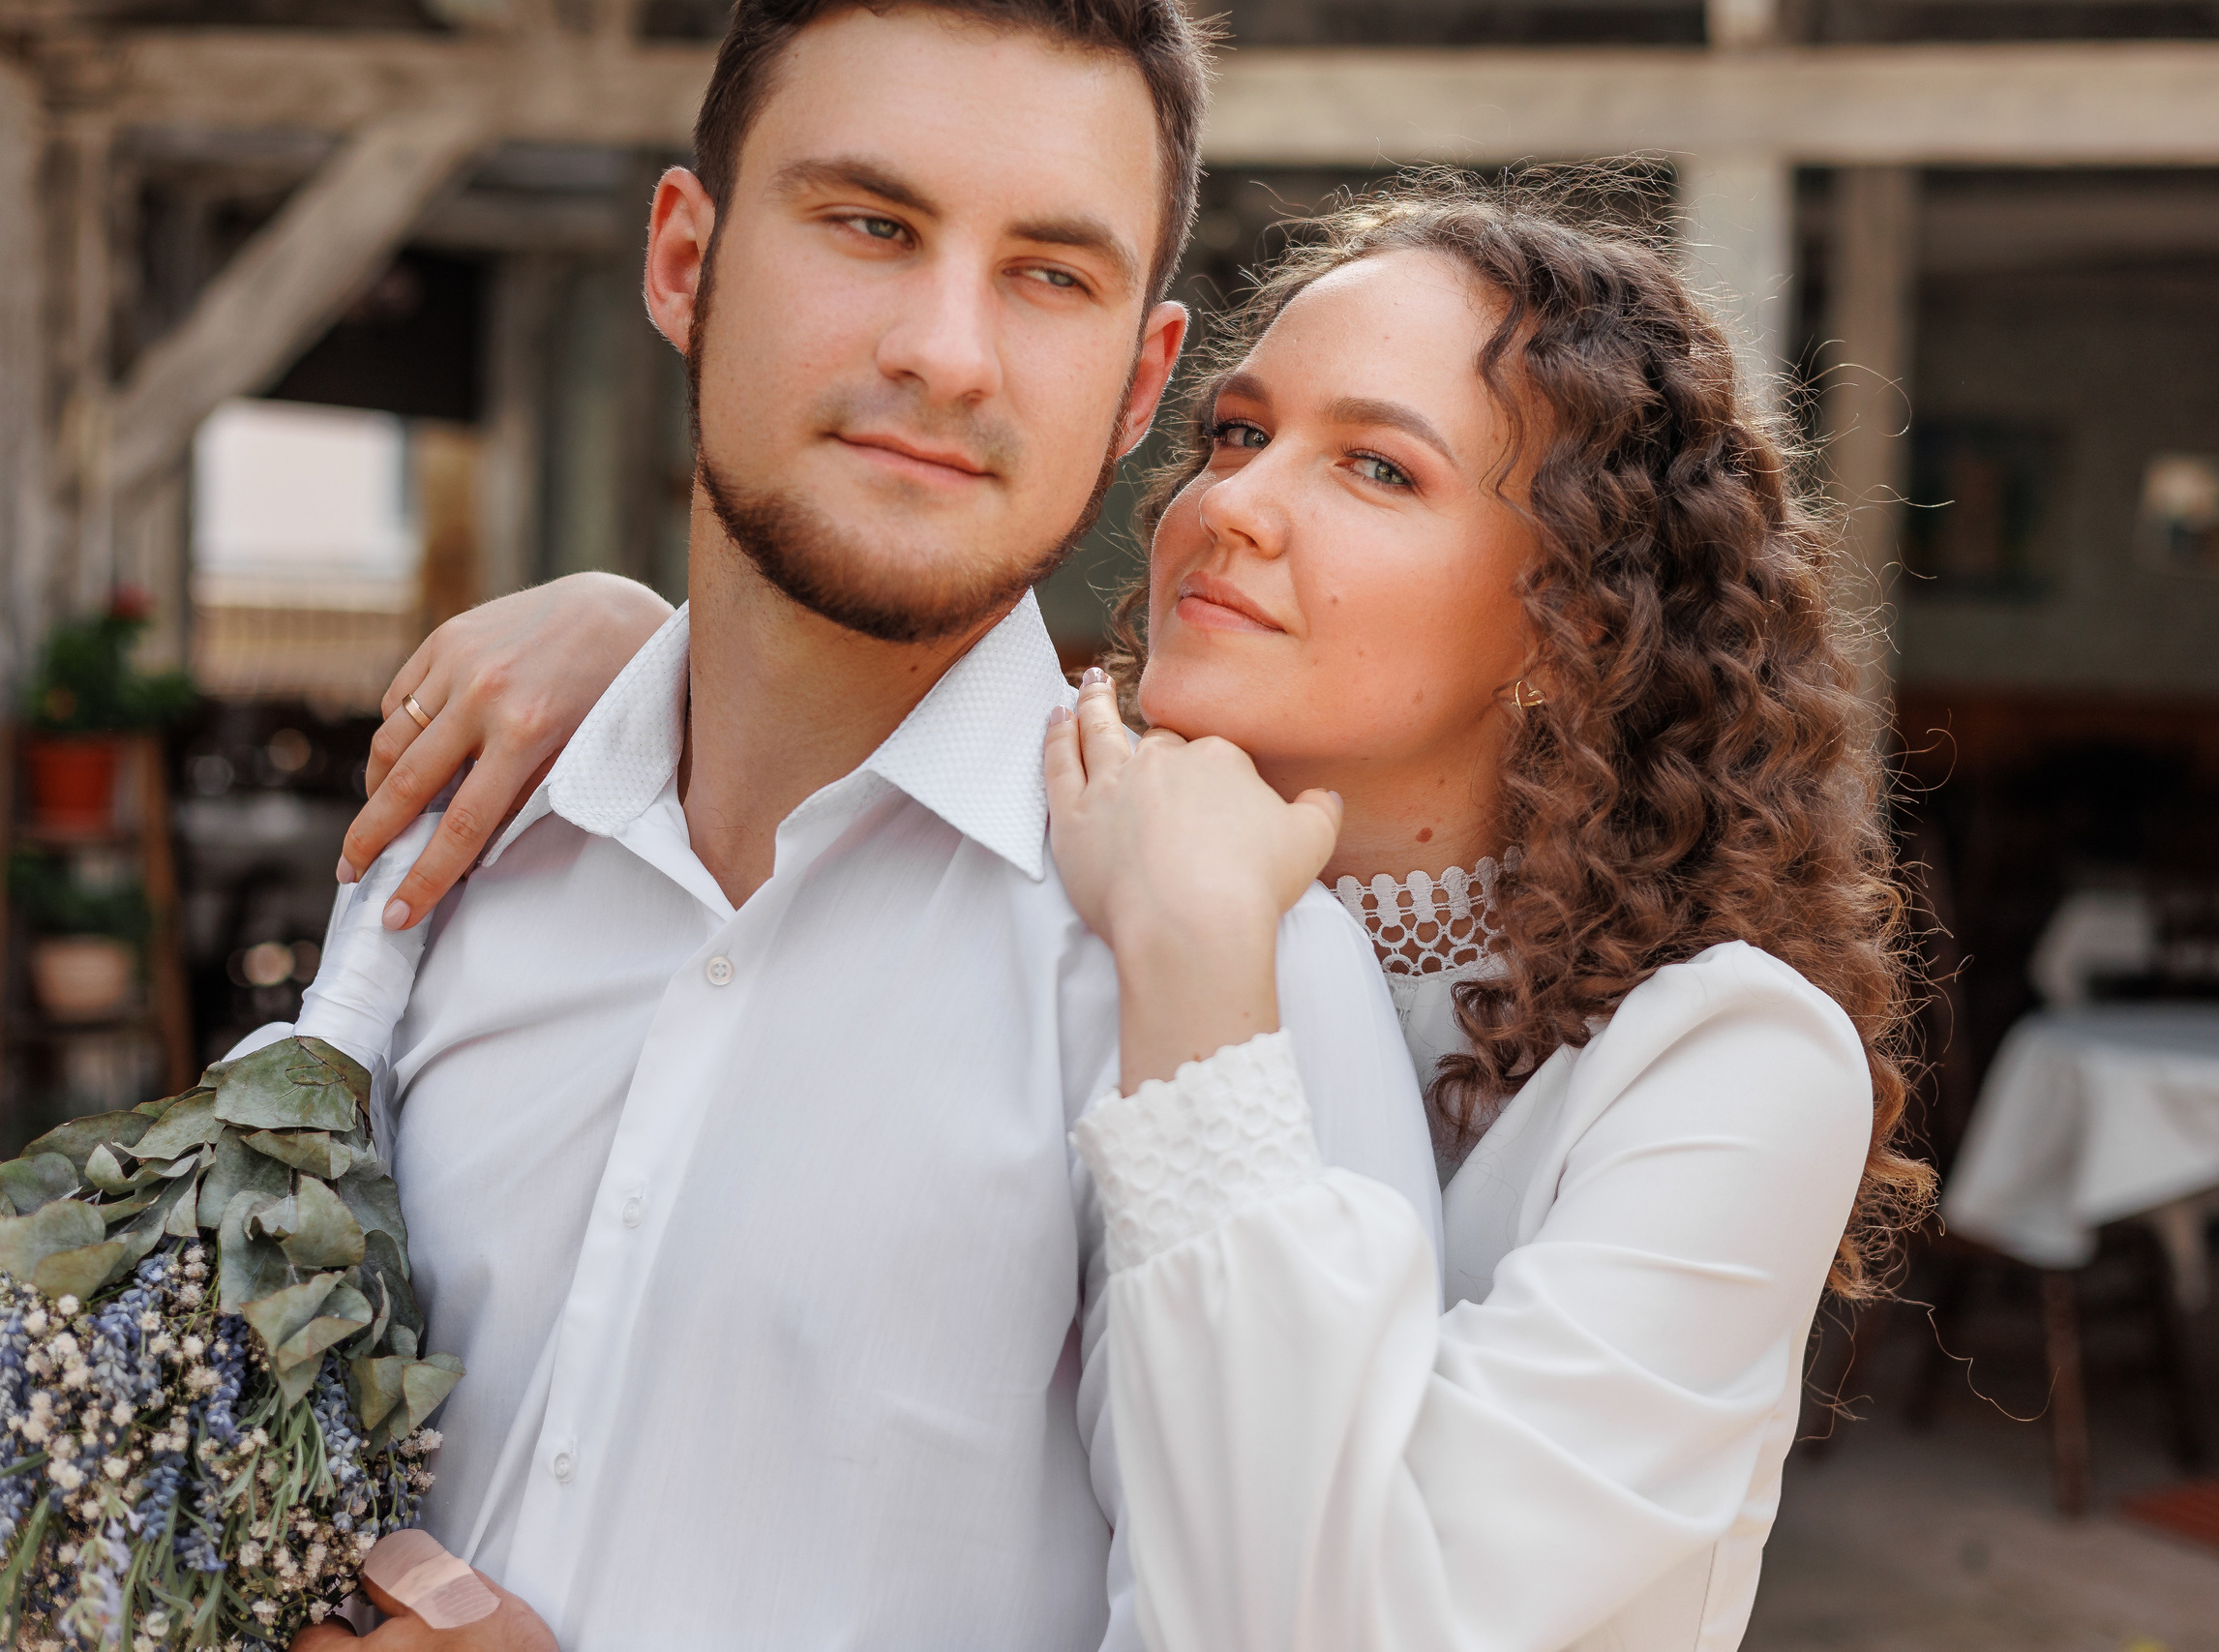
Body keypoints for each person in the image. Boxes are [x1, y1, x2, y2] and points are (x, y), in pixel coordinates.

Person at [346, 174, 1931, 1649]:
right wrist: (636, 650)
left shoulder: (1728, 1065)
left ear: (1580, 618)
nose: (1226, 510)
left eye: (1377, 468)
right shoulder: (1065, 850)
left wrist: (1199, 969)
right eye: (1238, 437)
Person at [275, 3, 1440, 1648]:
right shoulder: (457, 836)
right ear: (687, 261)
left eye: (1051, 274)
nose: (947, 352)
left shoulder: (1229, 991)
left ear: (1138, 385)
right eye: (871, 225)